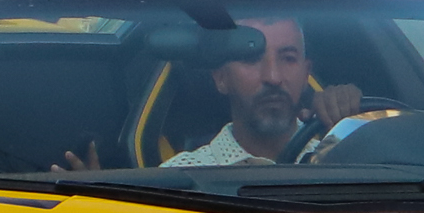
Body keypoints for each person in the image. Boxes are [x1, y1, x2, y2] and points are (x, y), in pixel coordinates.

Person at [59, 16, 359, 170]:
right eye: (251, 58)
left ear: (306, 73)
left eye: (288, 58)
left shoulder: (350, 157)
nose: (273, 76)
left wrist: (360, 125)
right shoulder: (178, 178)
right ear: (220, 79)